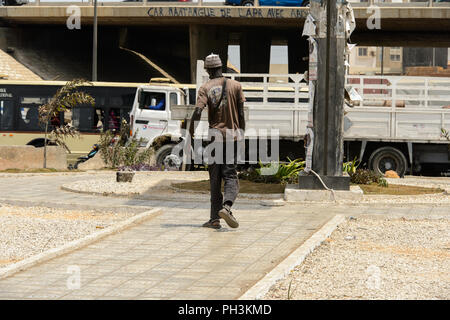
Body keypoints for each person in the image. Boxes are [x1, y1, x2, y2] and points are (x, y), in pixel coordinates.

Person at [189, 53, 246, 230]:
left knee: (214, 179)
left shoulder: (205, 88)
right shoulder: (236, 86)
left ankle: (214, 219)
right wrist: (241, 132)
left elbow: (198, 112)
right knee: (230, 175)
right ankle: (227, 207)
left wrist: (191, 131)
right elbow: (242, 113)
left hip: (214, 137)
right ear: (221, 68)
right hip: (231, 137)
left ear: (207, 70)